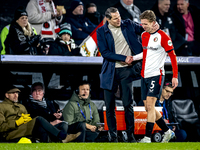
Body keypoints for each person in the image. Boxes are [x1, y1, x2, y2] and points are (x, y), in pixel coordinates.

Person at [96, 7, 149, 142]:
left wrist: (152, 25)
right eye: (115, 18)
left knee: (128, 104)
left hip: (127, 70)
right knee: (109, 107)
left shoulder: (128, 24)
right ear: (108, 19)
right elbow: (105, 52)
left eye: (119, 16)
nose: (119, 19)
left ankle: (130, 137)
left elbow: (143, 28)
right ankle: (113, 137)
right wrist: (122, 57)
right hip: (110, 71)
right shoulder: (101, 31)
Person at [138, 10, 178, 143]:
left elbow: (172, 56)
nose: (143, 26)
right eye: (142, 23)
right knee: (147, 107)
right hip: (144, 75)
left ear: (153, 23)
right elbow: (145, 54)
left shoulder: (163, 36)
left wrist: (175, 76)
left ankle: (147, 137)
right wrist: (132, 58)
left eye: (145, 24)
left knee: (150, 105)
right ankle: (167, 132)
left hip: (157, 74)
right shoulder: (143, 35)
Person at [0, 85, 80, 143]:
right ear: (7, 95)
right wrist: (16, 122)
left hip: (23, 130)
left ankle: (50, 145)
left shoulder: (21, 107)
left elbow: (26, 120)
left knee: (42, 127)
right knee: (39, 119)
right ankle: (62, 136)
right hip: (11, 133)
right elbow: (1, 127)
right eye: (13, 93)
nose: (16, 95)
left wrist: (26, 120)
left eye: (17, 93)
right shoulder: (1, 106)